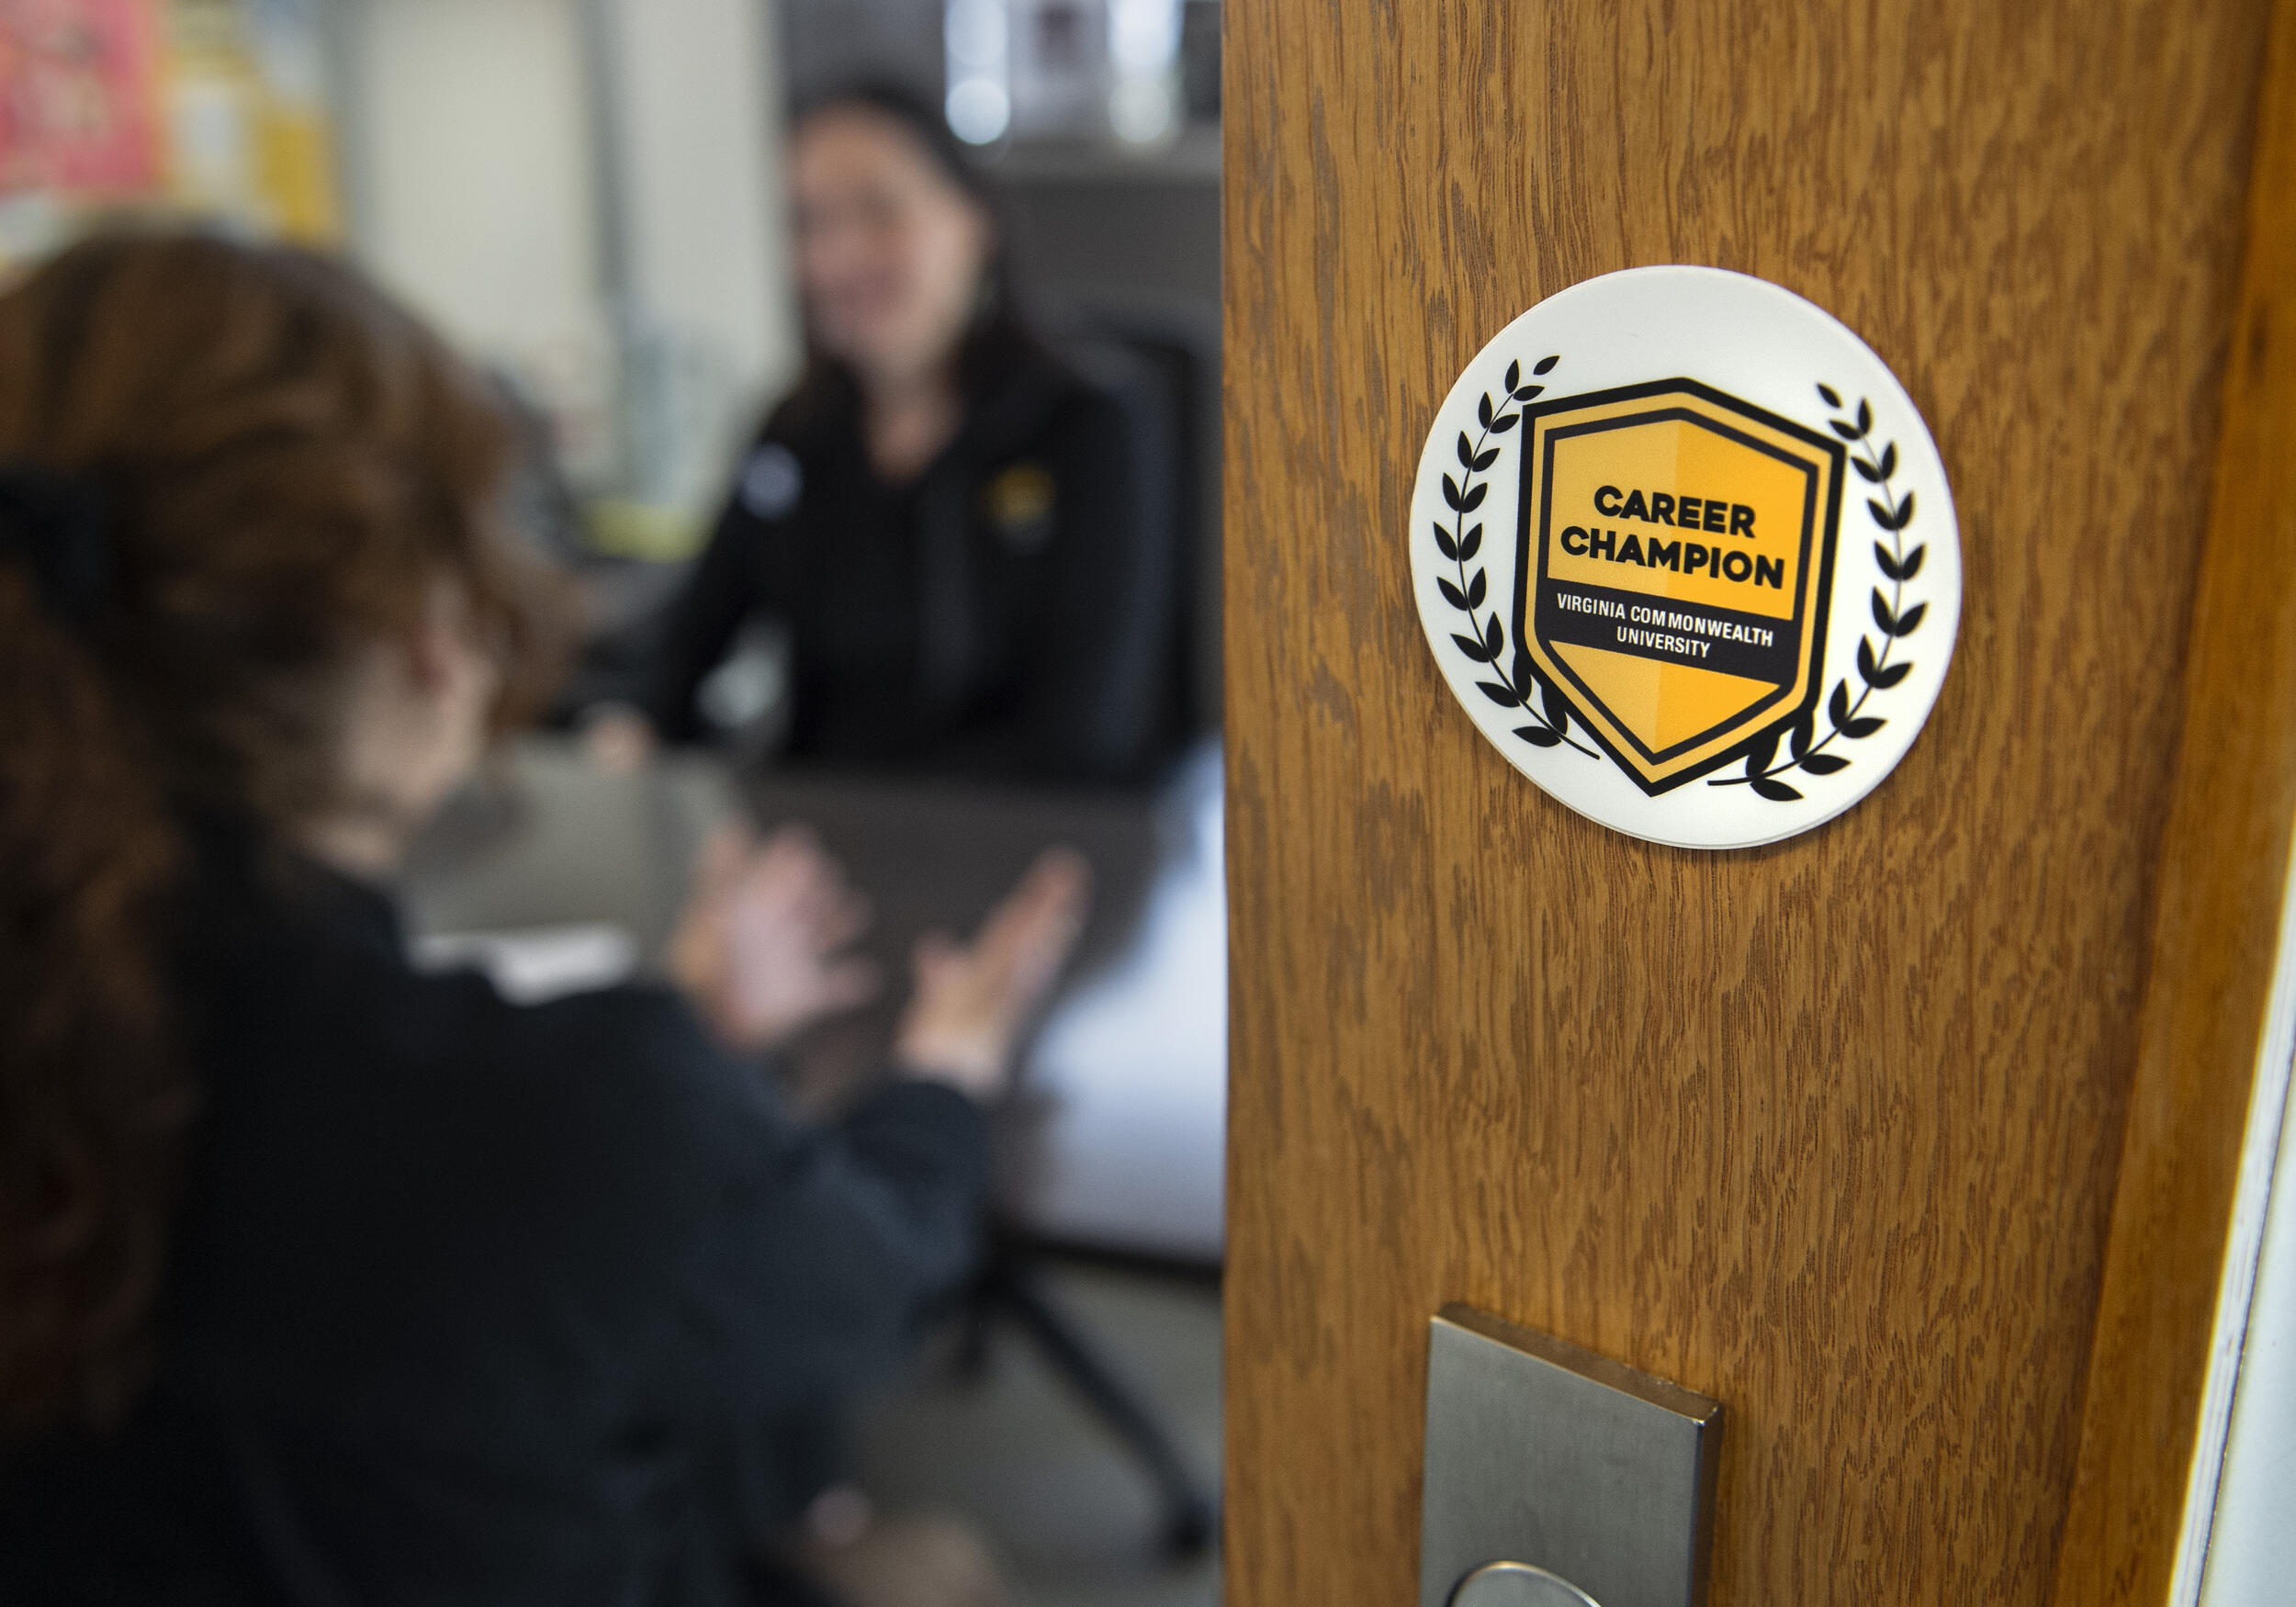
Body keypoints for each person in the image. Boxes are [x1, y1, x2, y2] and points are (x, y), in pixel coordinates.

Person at [0, 233, 1087, 1606]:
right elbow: (859, 1287)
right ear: (422, 637)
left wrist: (692, 1067)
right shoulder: (565, 1115)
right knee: (932, 1568)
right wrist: (942, 1073)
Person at [596, 82, 1178, 783]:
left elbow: (1089, 729)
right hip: (819, 843)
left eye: (879, 210)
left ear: (971, 218)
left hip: (1020, 842)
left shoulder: (1089, 424)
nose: (841, 256)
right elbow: (689, 643)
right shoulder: (796, 435)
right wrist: (633, 728)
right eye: (810, 222)